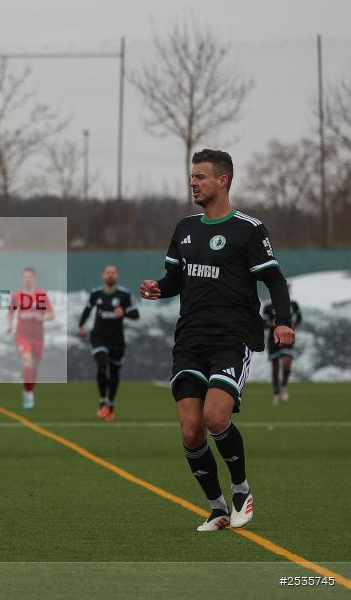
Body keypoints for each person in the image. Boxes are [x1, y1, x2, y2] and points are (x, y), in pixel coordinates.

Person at [140, 149, 294, 532]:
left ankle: (241, 490)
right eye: (192, 176)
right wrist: (159, 287)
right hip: (189, 339)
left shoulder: (249, 229)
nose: (193, 182)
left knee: (214, 417)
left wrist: (282, 321)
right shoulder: (184, 228)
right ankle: (217, 507)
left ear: (223, 180)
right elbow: (176, 279)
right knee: (191, 430)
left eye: (201, 177)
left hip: (233, 337)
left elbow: (274, 279)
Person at [77, 265, 139, 421]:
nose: (110, 275)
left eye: (113, 273)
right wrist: (81, 325)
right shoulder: (95, 293)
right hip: (98, 337)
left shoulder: (124, 294)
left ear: (117, 276)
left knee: (114, 372)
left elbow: (135, 314)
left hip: (117, 340)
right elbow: (87, 309)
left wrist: (123, 312)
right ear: (103, 276)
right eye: (107, 273)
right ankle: (102, 400)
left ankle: (110, 403)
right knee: (102, 364)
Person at [7, 267, 54, 410]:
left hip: (38, 337)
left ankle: (29, 388)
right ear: (22, 278)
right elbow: (10, 312)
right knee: (26, 361)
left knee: (34, 367)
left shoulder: (40, 296)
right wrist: (10, 325)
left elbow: (51, 314)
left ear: (34, 278)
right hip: (22, 335)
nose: (27, 279)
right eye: (25, 277)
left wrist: (42, 317)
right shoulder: (17, 296)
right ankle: (28, 394)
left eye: (30, 277)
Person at [262, 293, 301, 406]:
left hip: (287, 336)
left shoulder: (293, 304)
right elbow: (263, 322)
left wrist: (294, 325)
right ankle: (276, 393)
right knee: (275, 367)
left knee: (287, 363)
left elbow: (299, 317)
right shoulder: (268, 306)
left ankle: (283, 385)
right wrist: (271, 323)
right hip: (273, 339)